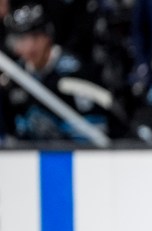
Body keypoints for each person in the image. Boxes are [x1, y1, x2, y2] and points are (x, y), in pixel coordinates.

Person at [0, 2, 113, 140]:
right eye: (20, 40)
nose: (29, 47)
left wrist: (60, 138)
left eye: (35, 37)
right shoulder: (13, 77)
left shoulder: (75, 72)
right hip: (26, 158)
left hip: (70, 155)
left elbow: (95, 130)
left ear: (47, 36)